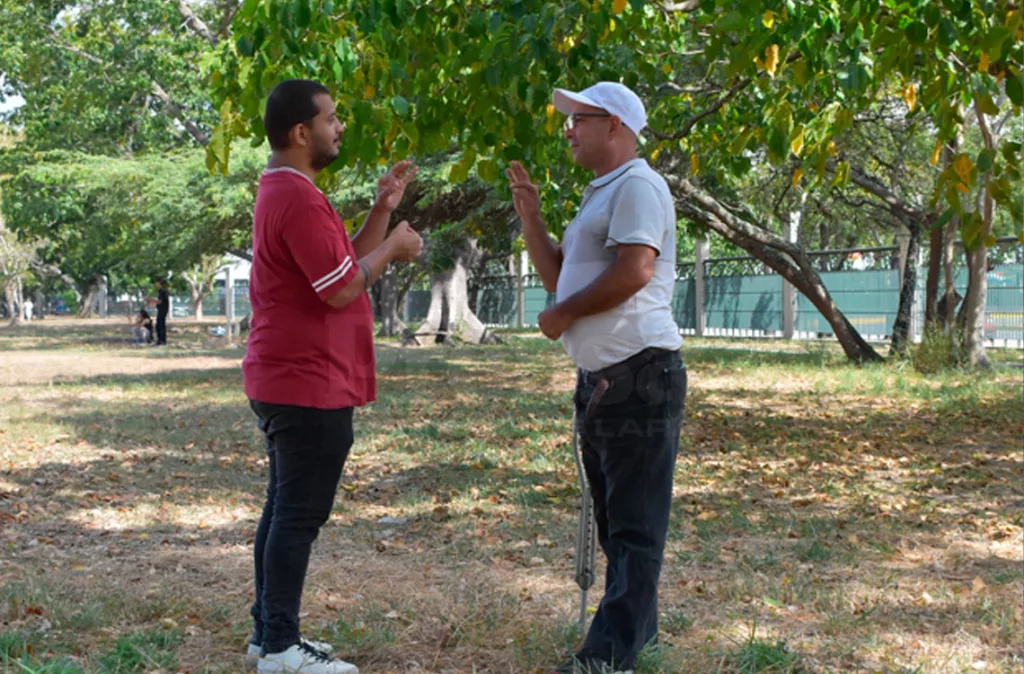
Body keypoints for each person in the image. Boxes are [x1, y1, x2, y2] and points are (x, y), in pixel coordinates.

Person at [242, 79, 422, 674]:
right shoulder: (295, 195)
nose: (339, 127)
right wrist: (394, 247)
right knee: (296, 514)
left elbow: (339, 262)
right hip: (305, 381)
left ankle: (269, 637)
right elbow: (344, 286)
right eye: (331, 119)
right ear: (301, 132)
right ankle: (281, 650)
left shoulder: (287, 189)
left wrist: (382, 211)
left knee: (283, 508)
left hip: (290, 378)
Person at [507, 82, 687, 674]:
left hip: (639, 374)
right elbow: (560, 274)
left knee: (634, 527)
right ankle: (639, 639)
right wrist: (532, 219)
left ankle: (605, 657)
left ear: (613, 124)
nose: (568, 130)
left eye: (577, 120)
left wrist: (564, 316)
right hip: (608, 382)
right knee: (618, 526)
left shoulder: (638, 185)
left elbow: (636, 269)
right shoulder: (602, 192)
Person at [153, 279, 169, 345]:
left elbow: (160, 301)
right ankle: (160, 340)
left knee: (160, 325)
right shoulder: (161, 291)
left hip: (163, 310)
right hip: (161, 310)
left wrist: (151, 299)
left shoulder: (162, 291)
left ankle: (162, 341)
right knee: (158, 325)